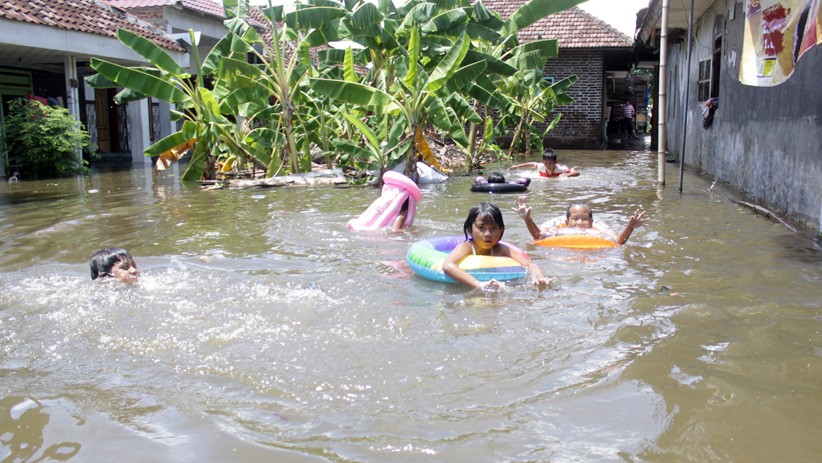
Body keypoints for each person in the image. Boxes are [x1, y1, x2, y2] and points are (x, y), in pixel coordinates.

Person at [442, 202, 554, 290]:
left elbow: (529, 265)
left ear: (501, 230)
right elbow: (447, 265)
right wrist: (478, 284)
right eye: (481, 228)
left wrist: (539, 277)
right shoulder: (466, 247)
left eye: (493, 228)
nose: (487, 234)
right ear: (469, 229)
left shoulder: (500, 249)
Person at [513, 197, 649, 245]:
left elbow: (619, 241)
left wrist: (630, 226)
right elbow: (538, 236)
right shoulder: (559, 231)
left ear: (591, 222)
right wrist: (527, 219)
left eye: (585, 219)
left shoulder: (599, 232)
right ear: (567, 222)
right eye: (575, 219)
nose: (580, 223)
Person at [509, 148, 579, 178]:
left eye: (550, 163)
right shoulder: (541, 166)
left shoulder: (561, 169)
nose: (548, 165)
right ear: (543, 162)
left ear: (555, 162)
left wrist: (566, 175)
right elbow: (532, 164)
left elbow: (577, 173)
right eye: (546, 163)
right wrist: (517, 166)